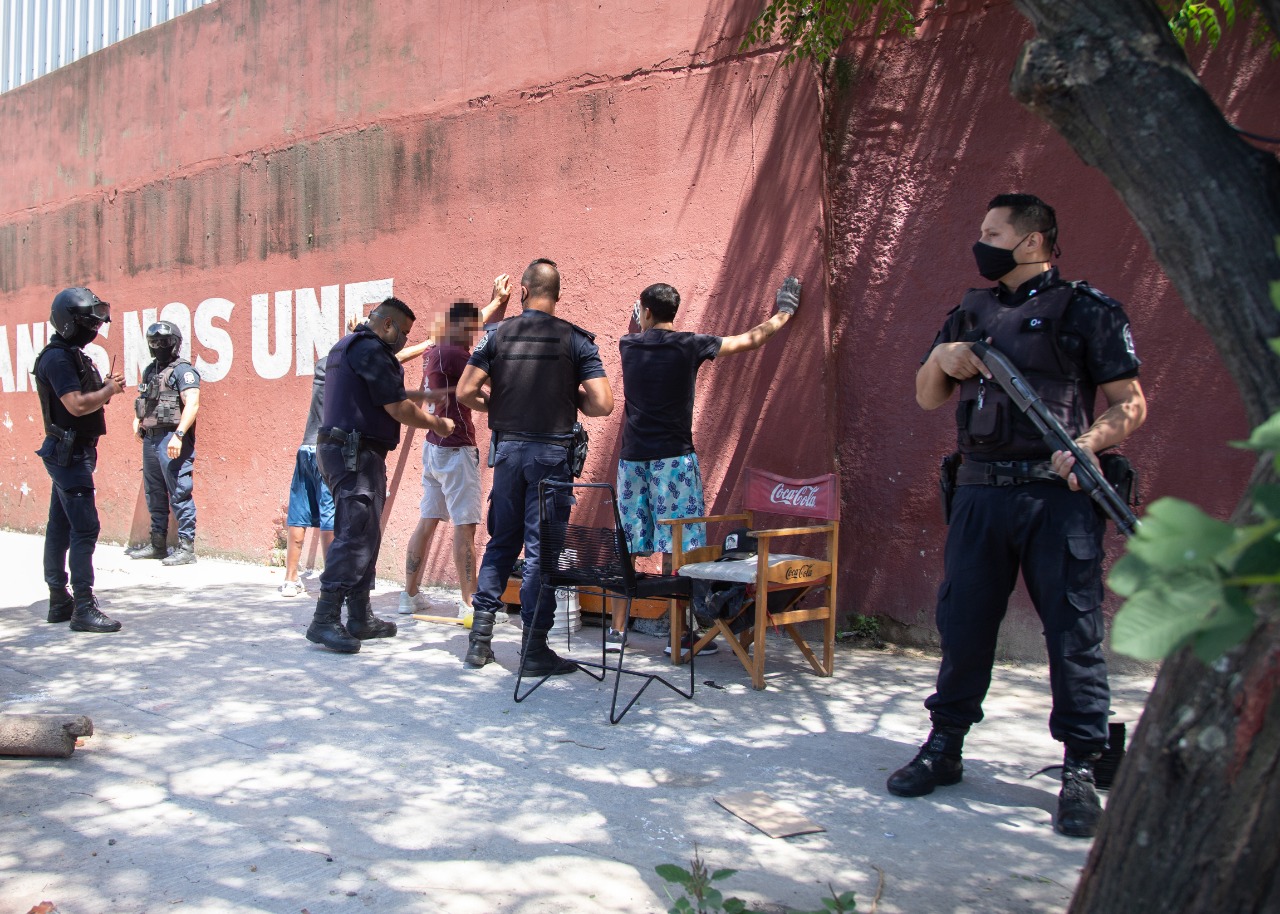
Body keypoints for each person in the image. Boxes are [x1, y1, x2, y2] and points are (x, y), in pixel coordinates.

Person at [892, 194, 1147, 839]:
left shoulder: (1087, 311)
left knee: (1073, 631)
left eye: (993, 232)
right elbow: (927, 398)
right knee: (965, 622)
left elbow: (1131, 403)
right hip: (979, 495)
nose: (982, 242)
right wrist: (940, 360)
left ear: (1032, 241)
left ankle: (1081, 767)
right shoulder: (966, 313)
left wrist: (1086, 446)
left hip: (1056, 499)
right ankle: (945, 745)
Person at [613, 277, 802, 655]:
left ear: (645, 313)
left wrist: (640, 320)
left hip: (632, 462)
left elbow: (641, 329)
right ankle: (677, 639)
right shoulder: (691, 345)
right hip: (674, 462)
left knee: (629, 544)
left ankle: (616, 633)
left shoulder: (628, 345)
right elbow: (750, 339)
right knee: (677, 548)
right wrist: (784, 312)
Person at [456, 258, 614, 672]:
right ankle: (533, 649)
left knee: (501, 544)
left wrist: (498, 404)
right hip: (551, 458)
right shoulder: (576, 340)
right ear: (558, 295)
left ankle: (479, 641)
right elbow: (602, 403)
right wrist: (569, 395)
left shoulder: (496, 335)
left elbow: (466, 391)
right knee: (543, 553)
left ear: (523, 292)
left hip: (508, 453)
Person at [305, 296, 455, 654]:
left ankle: (359, 615)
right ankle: (325, 618)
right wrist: (439, 424)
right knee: (356, 533)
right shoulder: (371, 349)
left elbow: (379, 395)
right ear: (387, 324)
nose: (403, 339)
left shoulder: (346, 345)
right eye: (402, 332)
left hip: (346, 450)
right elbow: (398, 407)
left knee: (363, 531)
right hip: (354, 452)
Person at [398, 276, 513, 619]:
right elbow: (487, 384)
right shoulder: (456, 354)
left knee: (428, 519)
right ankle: (469, 603)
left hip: (433, 449)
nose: (475, 333)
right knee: (465, 526)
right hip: (455, 449)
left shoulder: (437, 348)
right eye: (472, 328)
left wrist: (494, 303)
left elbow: (473, 325)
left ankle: (410, 595)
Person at [33, 287, 127, 633]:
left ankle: (59, 599)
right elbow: (75, 405)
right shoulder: (57, 358)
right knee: (85, 529)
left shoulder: (70, 354)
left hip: (72, 451)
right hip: (69, 453)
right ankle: (83, 607)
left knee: (60, 525)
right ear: (70, 323)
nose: (94, 328)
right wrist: (108, 391)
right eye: (89, 321)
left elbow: (80, 402)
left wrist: (103, 387)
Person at [126, 320, 201, 566]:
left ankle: (186, 548)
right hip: (151, 437)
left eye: (164, 342)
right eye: (155, 342)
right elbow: (144, 399)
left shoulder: (183, 370)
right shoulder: (150, 370)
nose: (159, 346)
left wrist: (179, 435)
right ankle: (157, 544)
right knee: (154, 492)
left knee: (180, 491)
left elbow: (192, 403)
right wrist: (138, 420)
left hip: (171, 437)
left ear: (175, 344)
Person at [278, 354, 336, 597]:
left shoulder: (323, 365)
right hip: (327, 447)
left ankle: (290, 579)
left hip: (306, 447)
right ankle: (331, 580)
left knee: (299, 513)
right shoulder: (346, 372)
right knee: (329, 514)